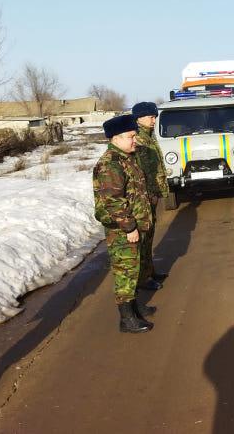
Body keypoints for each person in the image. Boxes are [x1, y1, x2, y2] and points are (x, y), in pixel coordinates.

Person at [93, 114, 155, 334]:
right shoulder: (111, 164)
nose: (135, 140)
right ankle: (127, 320)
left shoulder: (125, 158)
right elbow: (113, 201)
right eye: (131, 137)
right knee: (125, 272)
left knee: (134, 269)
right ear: (115, 138)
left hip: (133, 225)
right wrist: (130, 228)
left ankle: (134, 309)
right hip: (122, 230)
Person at [132, 102, 169, 291]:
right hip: (144, 197)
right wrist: (148, 194)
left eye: (155, 117)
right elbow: (140, 172)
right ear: (139, 118)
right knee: (144, 238)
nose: (154, 120)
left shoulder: (148, 136)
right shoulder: (137, 139)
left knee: (150, 234)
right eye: (150, 117)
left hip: (151, 194)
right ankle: (143, 278)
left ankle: (150, 270)